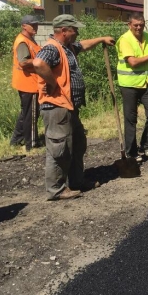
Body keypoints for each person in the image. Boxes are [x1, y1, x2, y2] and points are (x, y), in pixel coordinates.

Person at [33, 14, 114, 201]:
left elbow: (83, 45)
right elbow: (38, 63)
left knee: (77, 144)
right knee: (59, 149)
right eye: (74, 29)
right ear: (64, 31)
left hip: (69, 107)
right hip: (56, 107)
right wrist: (52, 83)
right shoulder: (52, 48)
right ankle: (56, 190)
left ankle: (77, 181)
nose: (77, 32)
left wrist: (101, 39)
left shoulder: (67, 47)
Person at [116, 13, 148, 161]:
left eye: (141, 25)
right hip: (129, 84)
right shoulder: (125, 40)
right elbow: (133, 62)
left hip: (146, 81)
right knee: (131, 119)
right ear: (129, 25)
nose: (139, 27)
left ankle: (146, 145)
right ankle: (131, 152)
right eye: (136, 25)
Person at [10, 15, 42, 151]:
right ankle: (32, 143)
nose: (36, 27)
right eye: (32, 25)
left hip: (27, 82)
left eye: (36, 24)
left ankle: (16, 140)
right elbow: (23, 62)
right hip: (29, 84)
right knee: (32, 114)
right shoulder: (23, 41)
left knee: (26, 113)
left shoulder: (28, 39)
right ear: (24, 26)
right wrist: (41, 61)